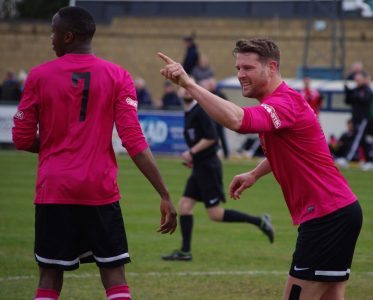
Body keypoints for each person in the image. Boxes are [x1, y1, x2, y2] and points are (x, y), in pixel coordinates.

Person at [158, 38, 362, 300]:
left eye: (248, 68)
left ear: (272, 67)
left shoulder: (285, 102)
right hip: (338, 211)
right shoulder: (281, 103)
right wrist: (255, 173)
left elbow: (236, 120)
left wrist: (189, 84)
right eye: (238, 68)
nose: (241, 75)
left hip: (326, 216)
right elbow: (297, 151)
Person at [12, 7, 177, 300]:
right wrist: (164, 193)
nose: (50, 38)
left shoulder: (38, 76)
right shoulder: (119, 76)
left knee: (49, 275)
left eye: (53, 32)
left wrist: (54, 144)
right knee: (114, 273)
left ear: (69, 36)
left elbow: (22, 139)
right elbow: (134, 141)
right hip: (99, 189)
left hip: (54, 189)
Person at [161, 87, 274, 261]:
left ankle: (259, 221)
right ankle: (185, 252)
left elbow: (212, 138)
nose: (185, 90)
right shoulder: (189, 112)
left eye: (188, 86)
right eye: (182, 87)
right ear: (178, 93)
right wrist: (193, 157)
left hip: (208, 167)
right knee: (184, 206)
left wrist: (191, 152)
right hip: (199, 166)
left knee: (214, 214)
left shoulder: (200, 111)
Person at [340, 72, 373, 168]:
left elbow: (364, 100)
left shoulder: (367, 90)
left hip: (363, 119)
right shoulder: (356, 90)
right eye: (356, 80)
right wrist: (347, 92)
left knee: (356, 139)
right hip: (355, 119)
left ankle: (347, 158)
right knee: (362, 140)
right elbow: (348, 101)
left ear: (363, 79)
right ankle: (369, 161)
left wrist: (354, 94)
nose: (357, 82)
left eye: (359, 79)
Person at [199, 77, 230, 159]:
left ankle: (226, 154)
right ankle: (213, 152)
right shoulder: (208, 93)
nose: (211, 85)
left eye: (212, 84)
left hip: (220, 119)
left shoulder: (220, 94)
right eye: (210, 84)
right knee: (212, 137)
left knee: (222, 137)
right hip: (211, 119)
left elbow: (227, 105)